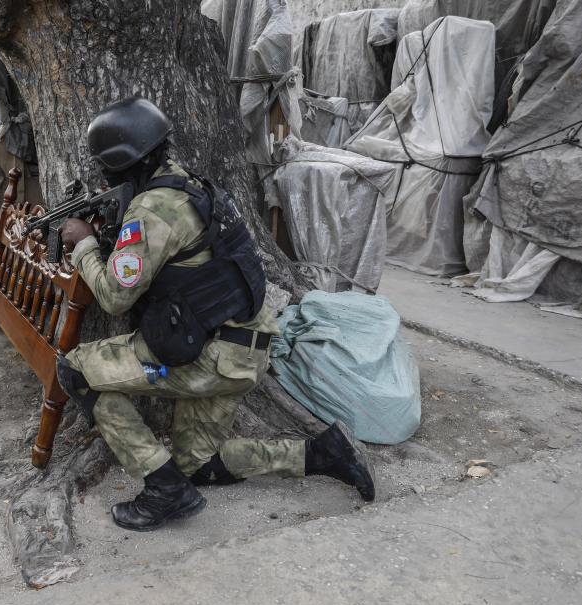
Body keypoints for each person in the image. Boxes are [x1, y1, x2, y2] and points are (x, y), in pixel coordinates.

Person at [57, 96, 375, 532]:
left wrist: (84, 245)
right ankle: (323, 454)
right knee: (199, 465)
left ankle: (162, 486)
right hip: (245, 346)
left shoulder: (152, 210)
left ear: (118, 165)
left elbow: (115, 296)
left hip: (209, 354)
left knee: (75, 371)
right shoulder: (188, 185)